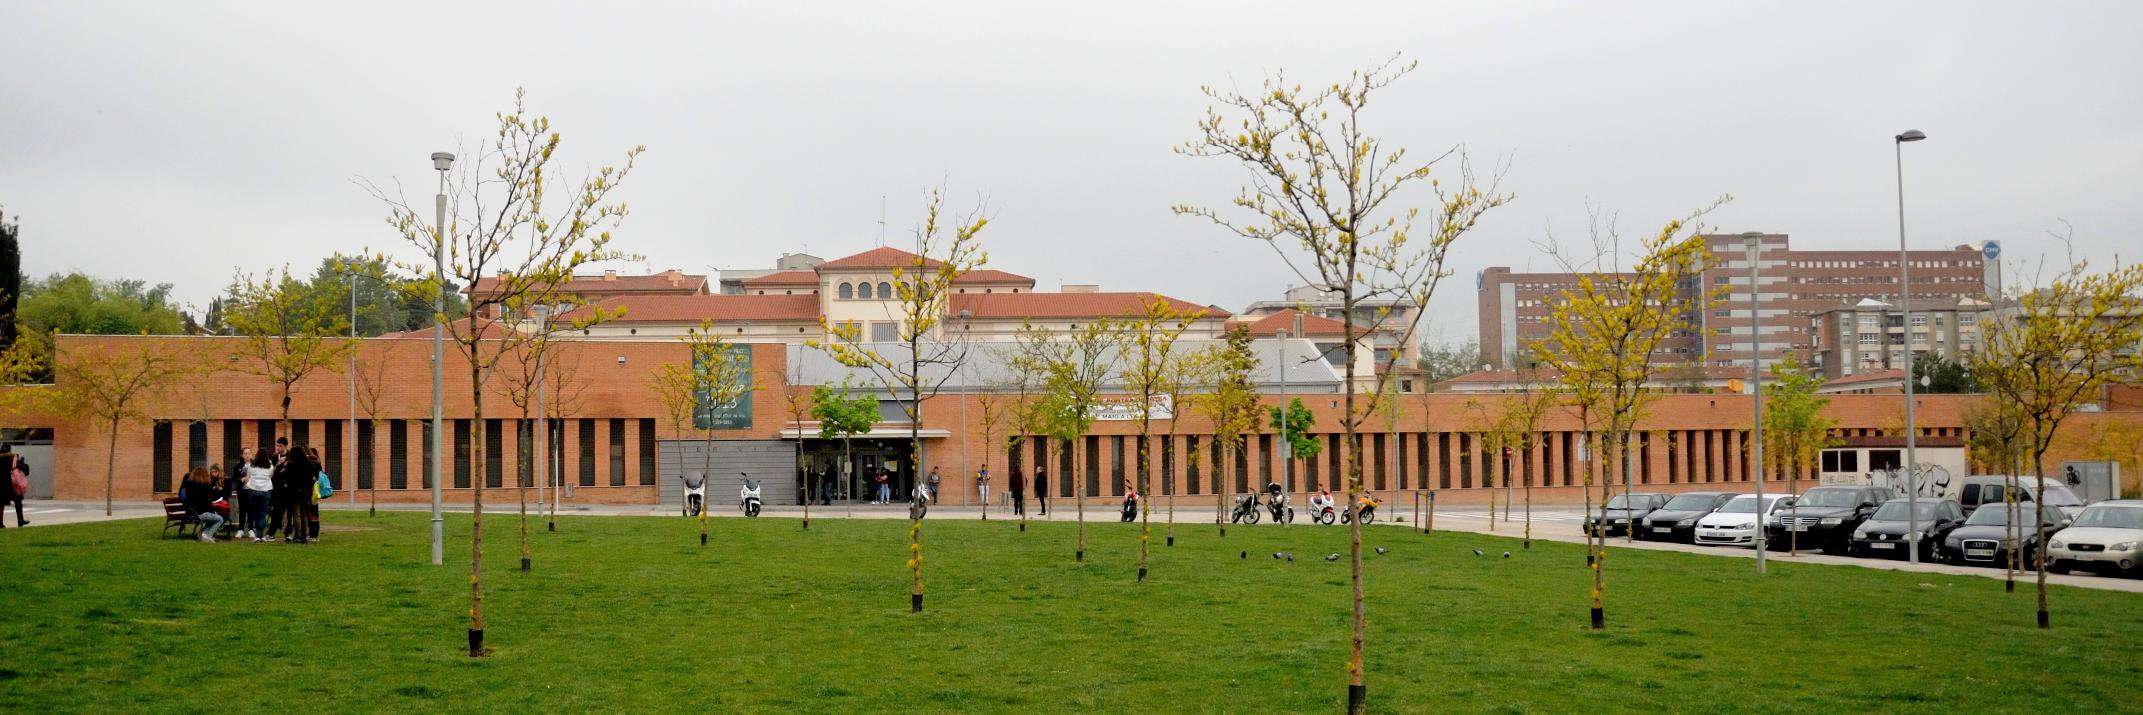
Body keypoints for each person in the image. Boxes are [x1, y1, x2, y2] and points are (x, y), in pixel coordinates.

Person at [179, 467, 225, 542]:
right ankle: (208, 535)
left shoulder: (188, 485)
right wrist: (213, 512)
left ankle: (203, 534)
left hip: (191, 512)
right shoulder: (205, 486)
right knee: (220, 519)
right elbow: (207, 502)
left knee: (212, 519)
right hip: (201, 513)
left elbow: (185, 499)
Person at [241, 448, 274, 541]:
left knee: (255, 512)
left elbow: (248, 476)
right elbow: (271, 476)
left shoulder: (252, 466)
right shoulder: (270, 466)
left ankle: (257, 535)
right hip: (266, 490)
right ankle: (261, 535)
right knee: (263, 513)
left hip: (254, 489)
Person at [1, 445, 28, 528]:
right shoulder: (14, 458)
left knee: (1, 505)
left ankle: (0, 523)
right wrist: (23, 463)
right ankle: (20, 521)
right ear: (10, 450)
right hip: (13, 485)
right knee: (18, 502)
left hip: (2, 486)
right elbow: (25, 470)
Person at [304, 446, 327, 541]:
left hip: (311, 490)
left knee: (310, 512)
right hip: (314, 491)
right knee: (312, 512)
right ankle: (314, 534)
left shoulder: (310, 464)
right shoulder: (317, 463)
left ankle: (313, 534)